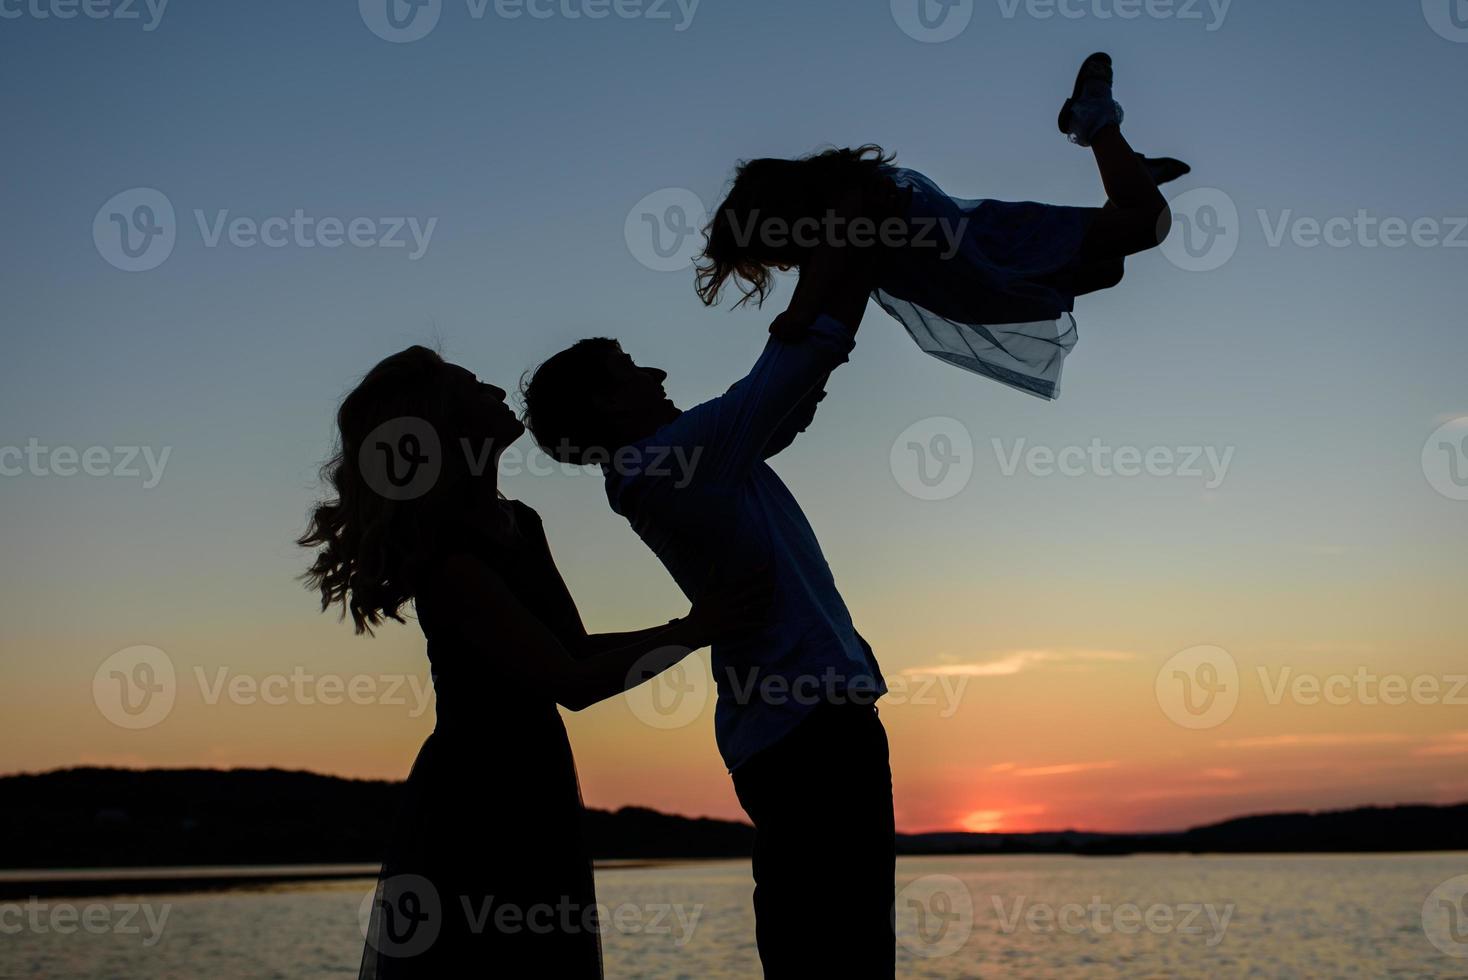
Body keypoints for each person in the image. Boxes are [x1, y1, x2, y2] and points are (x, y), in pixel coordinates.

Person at [520, 180, 898, 978]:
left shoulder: (687, 462)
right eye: (628, 369)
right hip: (805, 733)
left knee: (835, 944)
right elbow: (780, 380)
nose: (654, 371)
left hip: (809, 725)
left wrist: (842, 271)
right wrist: (849, 242)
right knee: (837, 952)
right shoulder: (666, 465)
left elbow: (787, 399)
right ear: (602, 405)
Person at [298, 347, 769, 978]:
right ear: (444, 425)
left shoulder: (519, 522)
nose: (495, 388)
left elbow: (572, 647)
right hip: (478, 796)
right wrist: (694, 631)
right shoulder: (451, 564)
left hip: (537, 778)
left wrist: (689, 628)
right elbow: (570, 683)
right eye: (471, 386)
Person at [695, 52, 1187, 400]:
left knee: (1148, 223)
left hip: (994, 247)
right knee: (1108, 269)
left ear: (778, 215)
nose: (778, 261)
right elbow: (828, 268)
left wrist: (797, 317)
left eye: (766, 247)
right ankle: (1131, 171)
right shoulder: (835, 241)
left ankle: (1095, 114)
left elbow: (832, 254)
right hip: (986, 278)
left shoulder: (853, 203)